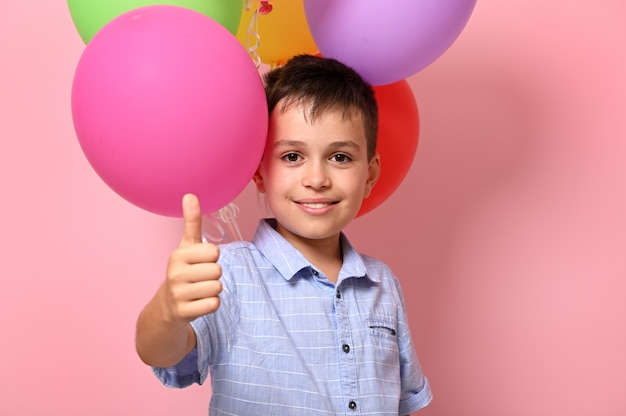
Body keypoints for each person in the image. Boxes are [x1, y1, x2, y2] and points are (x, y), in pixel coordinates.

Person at [135, 54, 432, 415]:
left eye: (340, 157)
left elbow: (403, 401)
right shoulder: (228, 273)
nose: (317, 179)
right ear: (259, 172)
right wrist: (167, 311)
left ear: (370, 175)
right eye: (292, 156)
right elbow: (161, 353)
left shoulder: (382, 284)